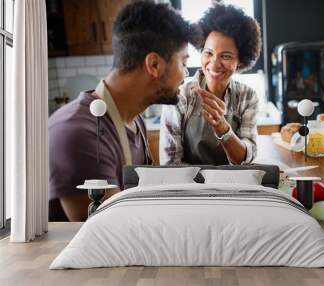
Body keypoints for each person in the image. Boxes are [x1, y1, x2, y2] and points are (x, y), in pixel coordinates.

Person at [49, 1, 192, 221]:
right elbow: (108, 234)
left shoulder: (134, 120)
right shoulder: (79, 133)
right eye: (183, 62)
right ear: (154, 65)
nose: (185, 74)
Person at [159, 4, 262, 166]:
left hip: (233, 188)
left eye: (226, 56)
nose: (214, 64)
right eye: (208, 53)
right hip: (189, 188)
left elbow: (246, 158)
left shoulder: (247, 97)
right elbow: (171, 163)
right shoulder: (180, 96)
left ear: (240, 60)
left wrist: (223, 128)